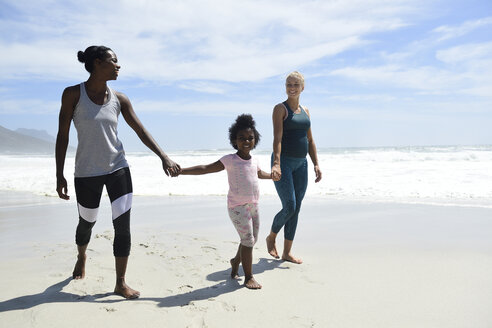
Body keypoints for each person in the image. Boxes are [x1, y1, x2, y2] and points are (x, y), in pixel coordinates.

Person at [55, 45, 180, 299]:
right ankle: (82, 256)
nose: (118, 66)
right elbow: (63, 135)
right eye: (114, 61)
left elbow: (140, 130)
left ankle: (120, 282)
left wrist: (163, 157)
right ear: (99, 63)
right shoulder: (72, 94)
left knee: (122, 227)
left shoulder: (120, 98)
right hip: (87, 172)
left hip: (118, 168)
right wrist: (59, 174)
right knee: (86, 223)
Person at [178, 114, 272, 289]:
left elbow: (259, 174)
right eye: (241, 138)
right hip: (237, 207)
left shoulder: (254, 160)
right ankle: (248, 277)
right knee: (248, 240)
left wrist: (272, 176)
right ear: (234, 140)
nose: (246, 141)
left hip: (254, 205)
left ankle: (235, 262)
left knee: (251, 239)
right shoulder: (230, 160)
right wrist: (182, 171)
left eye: (250, 138)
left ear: (255, 140)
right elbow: (206, 168)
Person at [266, 71, 322, 264]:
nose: (292, 88)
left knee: (296, 209)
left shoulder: (306, 110)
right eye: (289, 84)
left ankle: (286, 253)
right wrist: (276, 163)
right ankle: (272, 236)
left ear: (302, 88)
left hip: (302, 164)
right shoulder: (280, 109)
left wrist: (316, 163)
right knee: (289, 205)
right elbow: (277, 138)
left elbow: (310, 139)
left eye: (296, 85)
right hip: (284, 163)